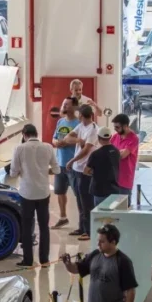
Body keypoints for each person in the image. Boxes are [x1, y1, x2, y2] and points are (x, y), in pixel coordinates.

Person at [9, 124, 58, 267]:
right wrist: (43, 172)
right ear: (37, 134)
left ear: (24, 135)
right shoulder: (48, 147)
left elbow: (13, 172)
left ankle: (28, 260)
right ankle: (45, 260)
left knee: (27, 225)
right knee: (44, 226)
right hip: (43, 192)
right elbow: (56, 169)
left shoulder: (19, 148)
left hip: (27, 193)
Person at [65, 104, 99, 241]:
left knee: (86, 201)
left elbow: (86, 150)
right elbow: (67, 138)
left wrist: (72, 160)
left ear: (83, 116)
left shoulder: (93, 129)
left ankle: (89, 230)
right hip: (77, 170)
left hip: (86, 169)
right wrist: (78, 140)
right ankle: (81, 227)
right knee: (79, 199)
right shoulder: (81, 126)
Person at [51, 97, 79, 228]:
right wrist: (56, 142)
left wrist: (67, 142)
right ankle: (63, 217)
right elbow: (54, 138)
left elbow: (82, 142)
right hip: (60, 163)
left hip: (73, 164)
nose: (64, 107)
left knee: (78, 193)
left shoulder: (78, 124)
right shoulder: (60, 122)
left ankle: (82, 220)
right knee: (60, 191)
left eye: (67, 105)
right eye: (63, 104)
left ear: (74, 107)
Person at [85, 127, 122, 208]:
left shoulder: (96, 154)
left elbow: (86, 171)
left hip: (100, 191)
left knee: (100, 217)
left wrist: (94, 173)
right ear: (110, 137)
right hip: (114, 189)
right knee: (112, 216)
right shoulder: (116, 151)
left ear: (98, 138)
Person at [110, 114, 139, 195]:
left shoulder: (133, 139)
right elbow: (108, 152)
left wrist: (114, 152)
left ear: (125, 126)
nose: (115, 129)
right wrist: (118, 152)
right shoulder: (115, 137)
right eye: (114, 127)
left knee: (125, 206)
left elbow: (123, 155)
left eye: (117, 127)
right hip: (114, 178)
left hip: (125, 180)